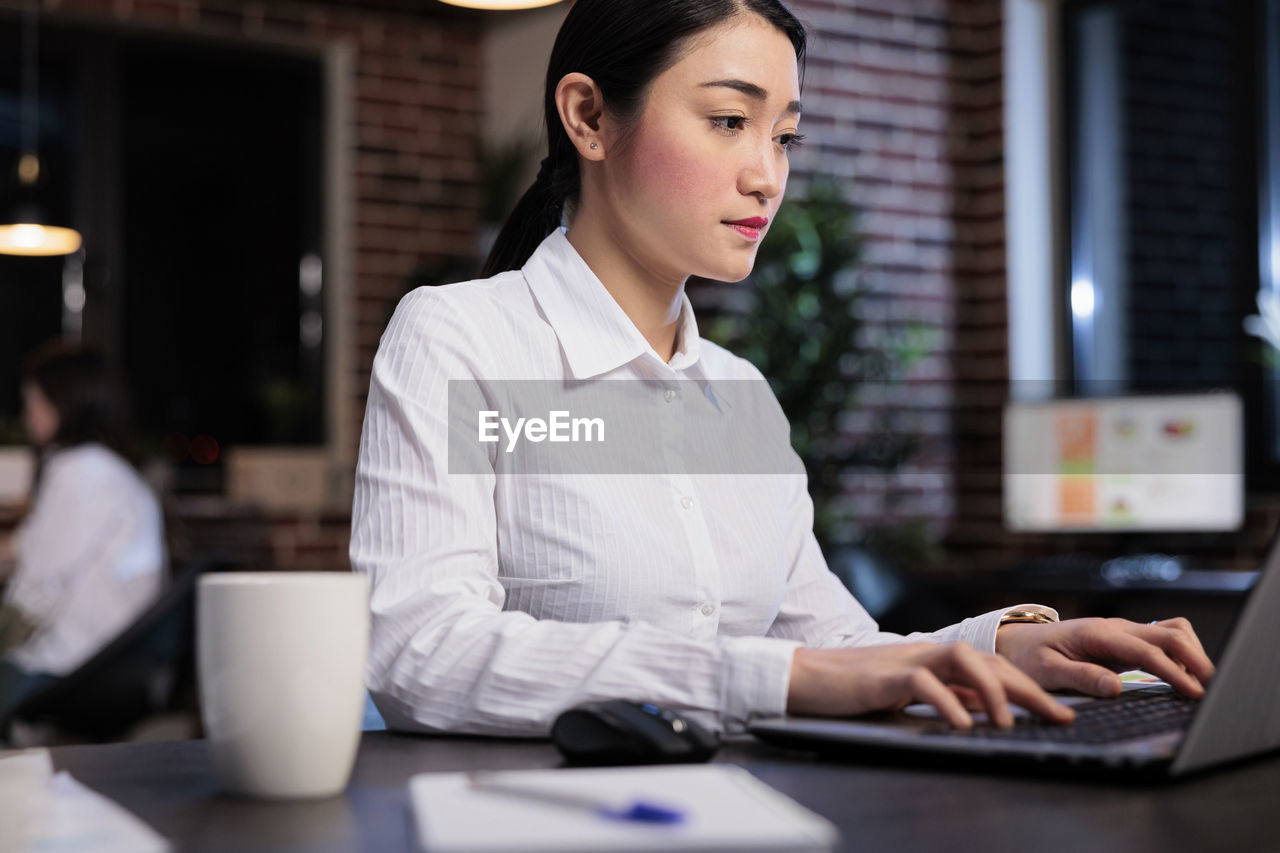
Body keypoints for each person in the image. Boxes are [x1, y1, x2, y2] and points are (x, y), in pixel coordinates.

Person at [350, 0, 1214, 737]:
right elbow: (421, 649)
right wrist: (766, 679)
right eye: (730, 120)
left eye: (785, 135)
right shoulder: (462, 338)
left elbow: (831, 648)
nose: (768, 175)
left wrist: (998, 644)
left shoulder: (738, 397)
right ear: (589, 118)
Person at [0, 343, 167, 728]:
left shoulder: (83, 471)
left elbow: (39, 576)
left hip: (83, 665)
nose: (28, 415)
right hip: (115, 659)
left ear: (64, 401)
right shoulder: (102, 469)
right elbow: (32, 546)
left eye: (34, 400)